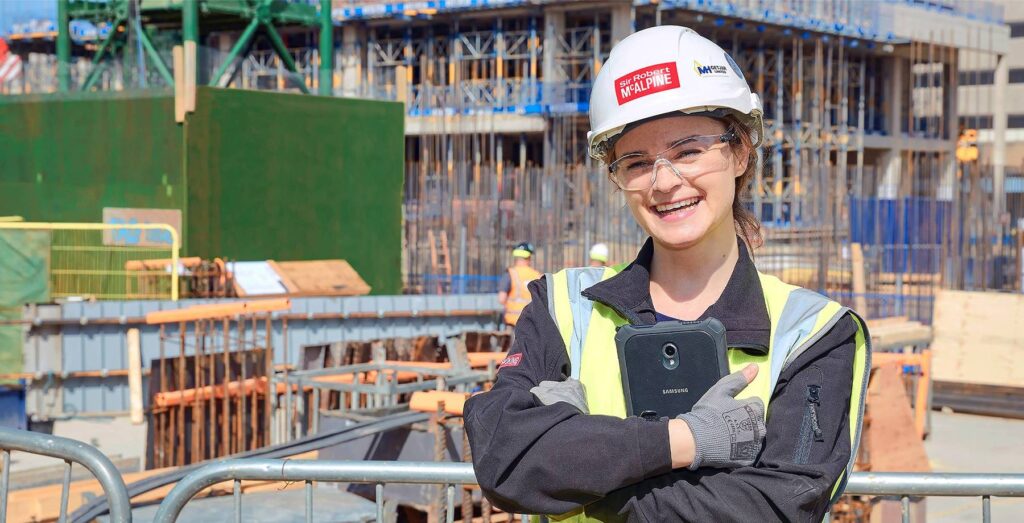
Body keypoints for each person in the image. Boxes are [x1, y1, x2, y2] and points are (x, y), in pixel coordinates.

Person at [465, 25, 870, 523]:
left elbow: (776, 509)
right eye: (635, 162)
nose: (663, 182)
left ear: (740, 151)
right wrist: (687, 440)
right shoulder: (564, 307)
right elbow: (503, 457)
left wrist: (579, 464)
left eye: (687, 151)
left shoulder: (813, 333)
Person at [498, 242, 542, 328]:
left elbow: (501, 299)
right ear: (529, 257)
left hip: (513, 323)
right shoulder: (537, 275)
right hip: (532, 323)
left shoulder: (510, 274)